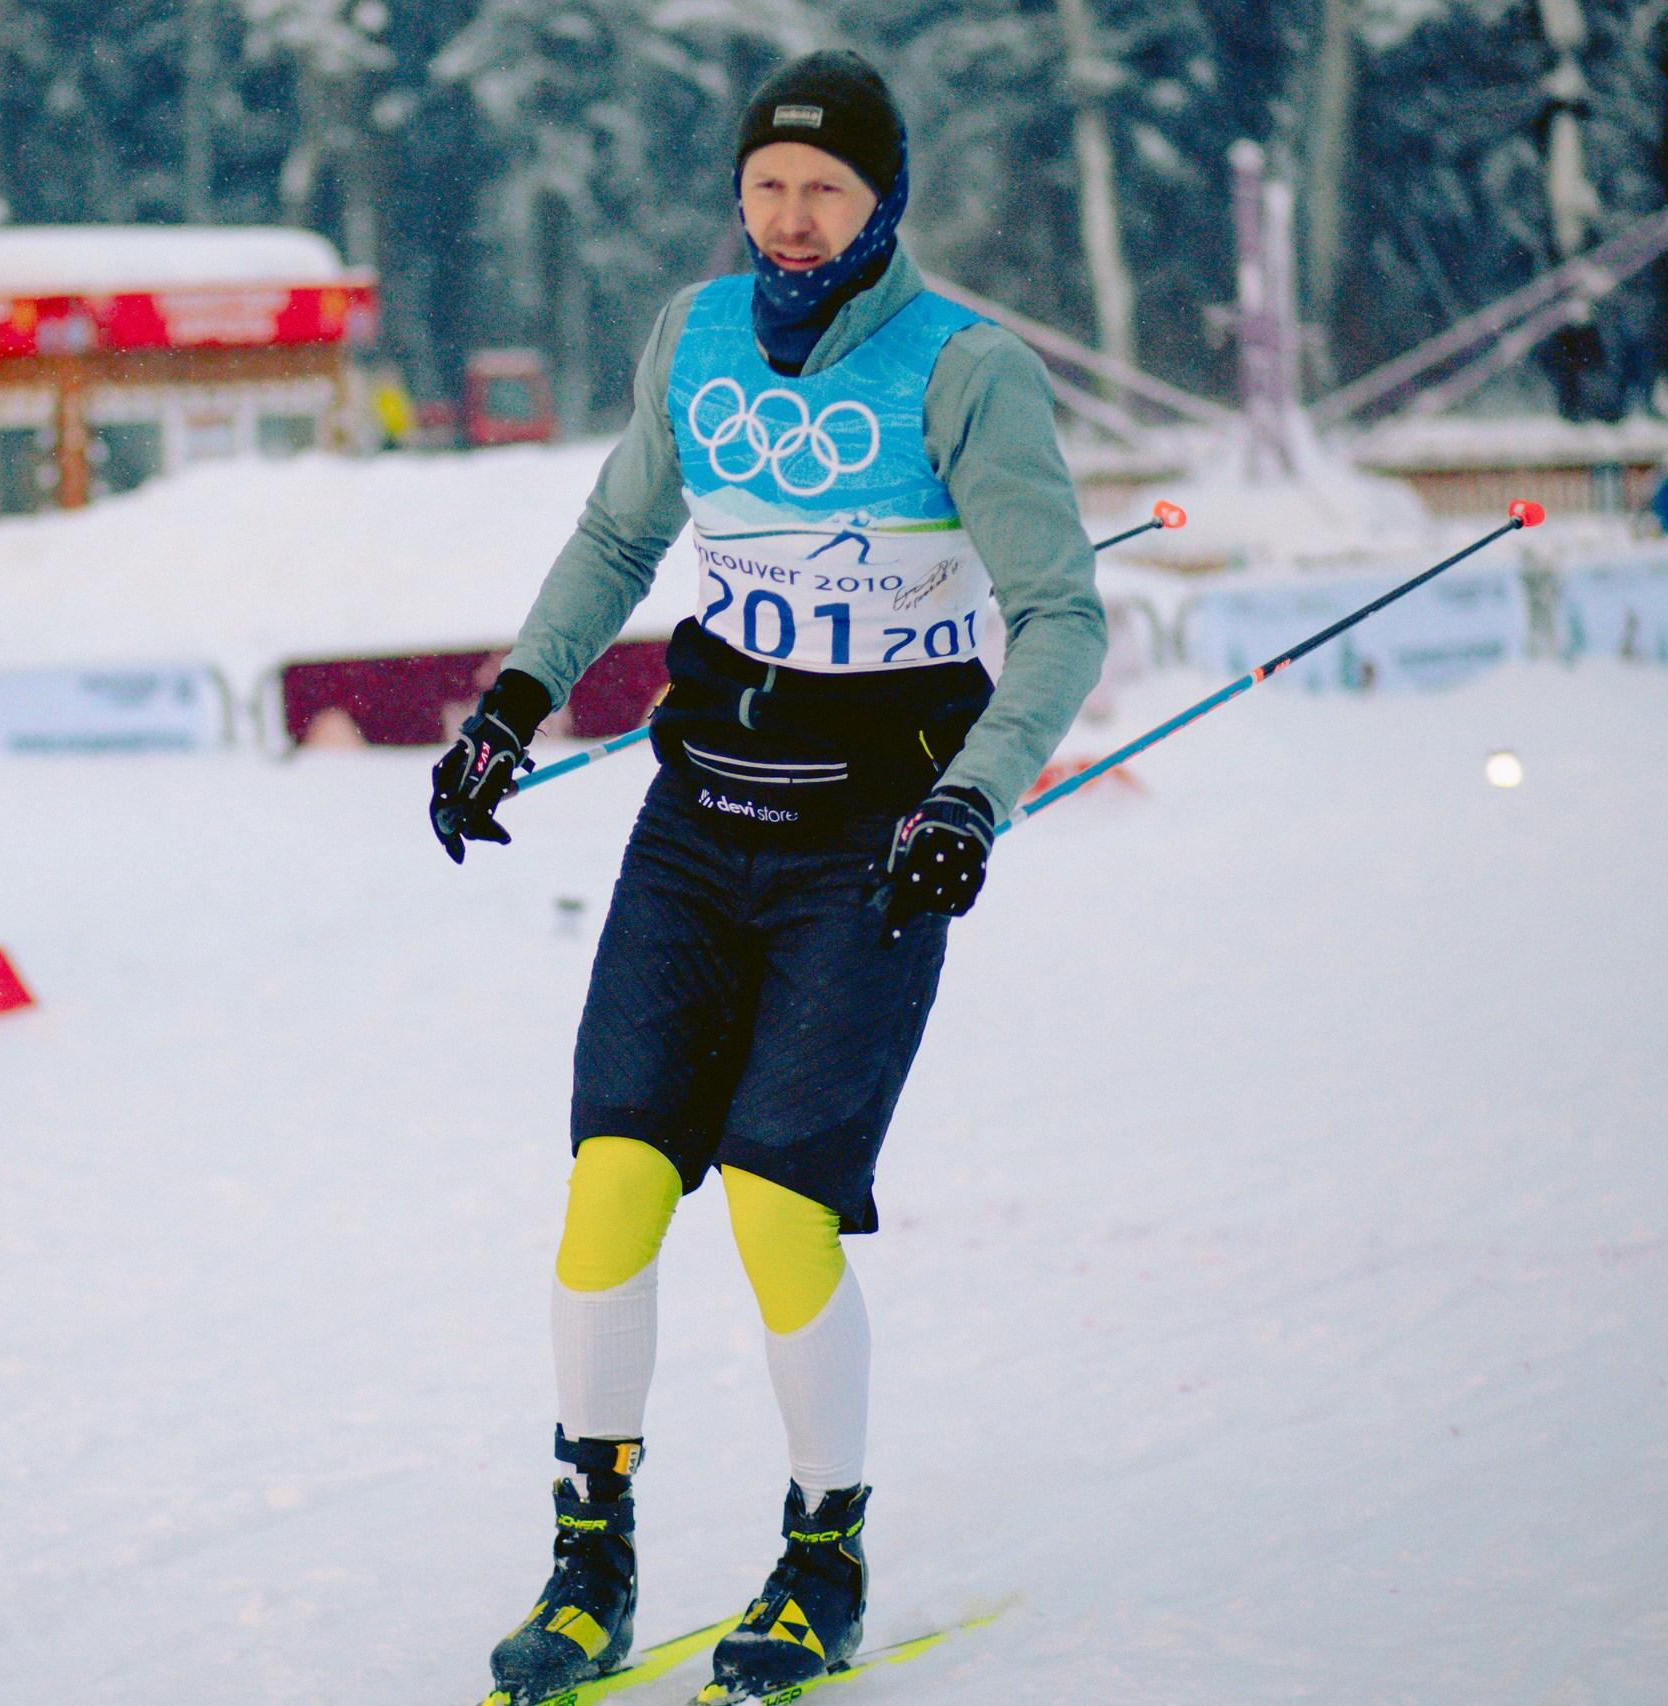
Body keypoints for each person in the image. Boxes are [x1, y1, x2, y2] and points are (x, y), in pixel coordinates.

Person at [429, 49, 1106, 1706]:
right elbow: (615, 543)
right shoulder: (697, 334)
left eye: (824, 189)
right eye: (765, 186)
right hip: (695, 821)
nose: (789, 218)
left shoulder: (969, 371)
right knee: (610, 1189)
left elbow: (1065, 617)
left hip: (864, 851)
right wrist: (510, 706)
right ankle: (592, 1554)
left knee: (784, 1204)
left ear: (884, 202)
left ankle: (825, 1553)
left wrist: (972, 801)